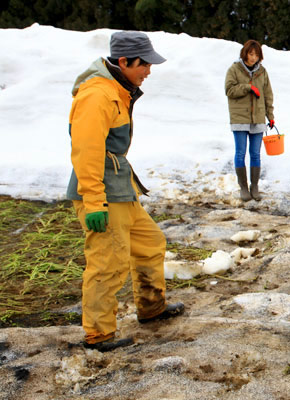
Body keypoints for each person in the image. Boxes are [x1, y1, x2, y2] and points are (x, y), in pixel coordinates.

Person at [65, 31, 185, 352]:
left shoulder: (118, 89)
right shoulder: (98, 95)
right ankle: (100, 334)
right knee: (108, 262)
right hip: (102, 191)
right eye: (144, 64)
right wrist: (93, 203)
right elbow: (86, 152)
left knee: (150, 243)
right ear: (123, 62)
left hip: (121, 187)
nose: (148, 70)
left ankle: (151, 307)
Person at [225, 39, 275, 201]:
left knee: (255, 154)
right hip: (240, 118)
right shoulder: (234, 69)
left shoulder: (263, 72)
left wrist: (271, 116)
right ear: (245, 53)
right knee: (240, 153)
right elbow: (229, 90)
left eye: (256, 55)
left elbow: (268, 95)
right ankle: (243, 188)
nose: (253, 58)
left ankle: (255, 187)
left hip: (258, 118)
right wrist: (248, 87)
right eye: (250, 54)